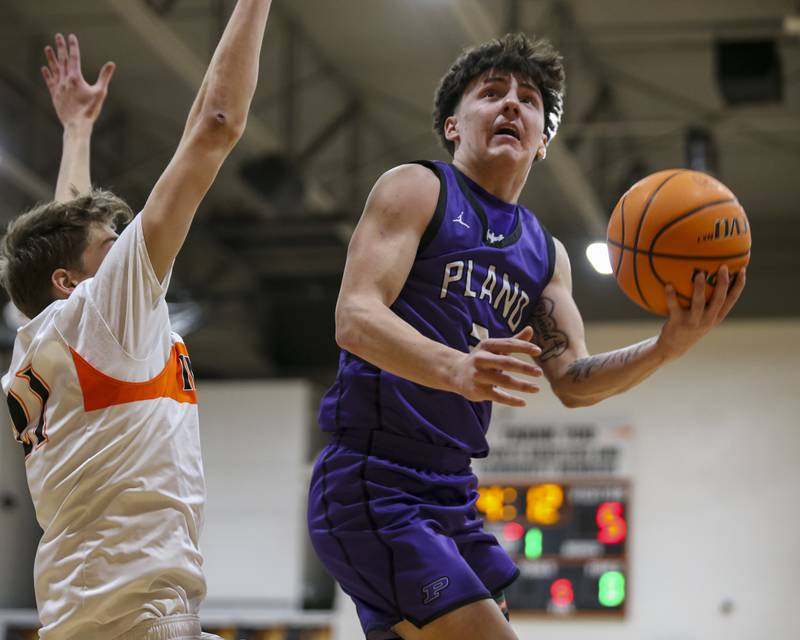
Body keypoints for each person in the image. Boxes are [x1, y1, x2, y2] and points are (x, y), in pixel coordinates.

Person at [306, 32, 745, 640]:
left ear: (544, 142)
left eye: (530, 100)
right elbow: (354, 318)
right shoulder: (418, 188)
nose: (512, 104)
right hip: (373, 479)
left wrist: (667, 346)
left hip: (452, 494)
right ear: (454, 125)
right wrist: (456, 368)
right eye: (491, 93)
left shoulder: (545, 257)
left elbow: (574, 382)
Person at [0, 1, 272, 637]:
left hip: (89, 609)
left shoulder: (45, 337)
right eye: (111, 247)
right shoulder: (99, 316)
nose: (126, 251)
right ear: (73, 282)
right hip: (133, 618)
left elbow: (68, 240)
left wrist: (76, 131)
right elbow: (216, 123)